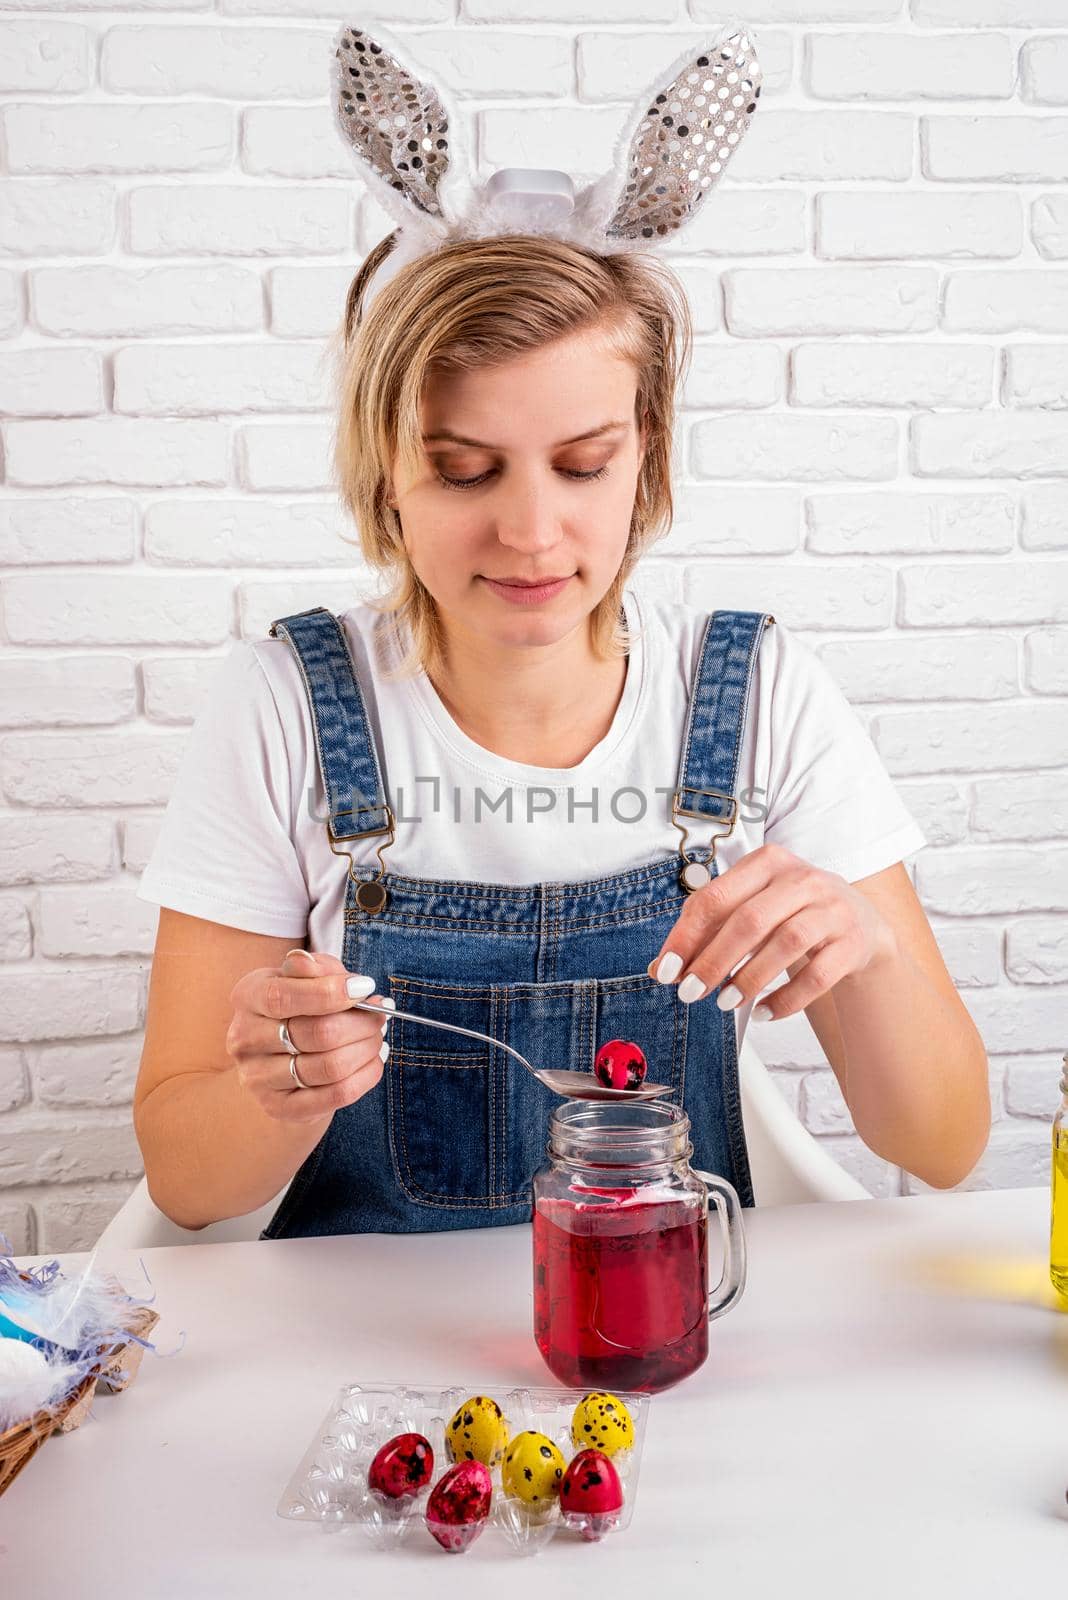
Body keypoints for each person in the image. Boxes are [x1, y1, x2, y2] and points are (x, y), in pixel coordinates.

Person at [132, 25, 990, 1235]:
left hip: (663, 1325)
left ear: (645, 462)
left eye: (583, 465)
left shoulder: (753, 692)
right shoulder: (286, 704)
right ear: (387, 477)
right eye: (467, 471)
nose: (533, 534)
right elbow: (182, 1176)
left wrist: (867, 957)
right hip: (360, 1352)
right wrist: (280, 1088)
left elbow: (945, 1147)